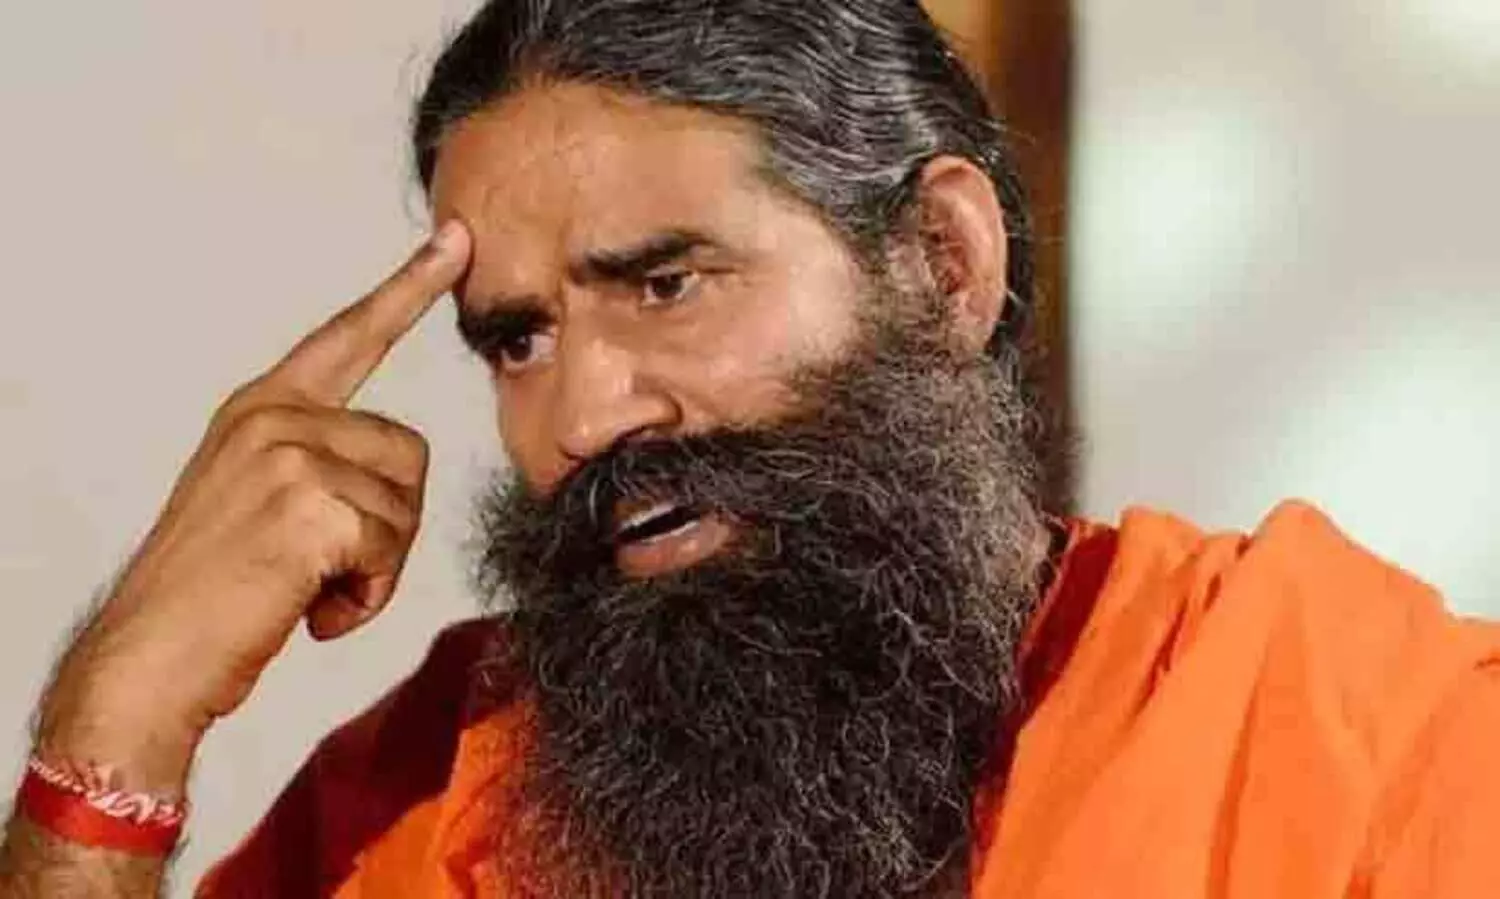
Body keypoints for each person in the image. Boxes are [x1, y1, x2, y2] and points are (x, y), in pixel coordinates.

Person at [2, 1, 1496, 896]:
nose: (585, 416)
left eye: (667, 284)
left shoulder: (1361, 743)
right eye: (517, 338)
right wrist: (114, 739)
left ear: (944, 264)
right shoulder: (433, 798)